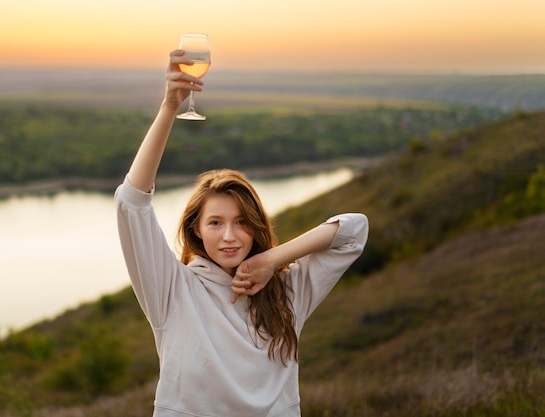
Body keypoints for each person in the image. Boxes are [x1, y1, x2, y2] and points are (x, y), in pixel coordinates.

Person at [115, 49, 369, 417]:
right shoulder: (173, 291)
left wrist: (273, 260)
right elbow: (131, 202)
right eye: (215, 223)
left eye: (242, 222)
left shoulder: (287, 292)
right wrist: (169, 108)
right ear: (197, 231)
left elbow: (354, 230)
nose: (230, 236)